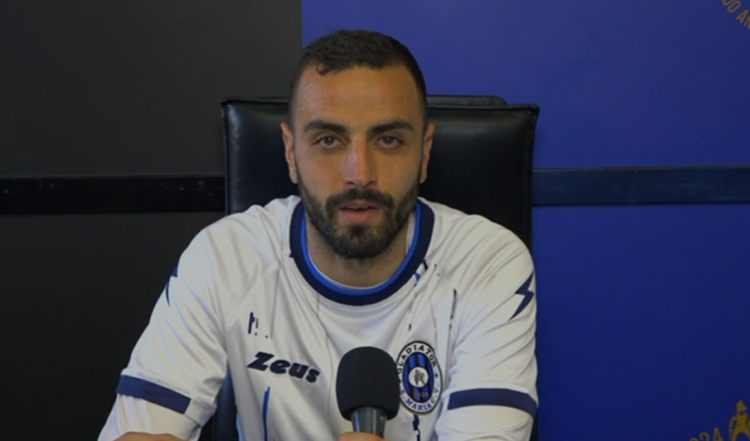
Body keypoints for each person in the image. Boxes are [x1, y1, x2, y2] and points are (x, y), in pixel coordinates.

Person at [99, 29, 538, 441]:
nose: (359, 174)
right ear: (291, 152)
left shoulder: (487, 263)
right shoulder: (224, 256)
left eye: (388, 140)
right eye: (329, 140)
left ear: (424, 153)